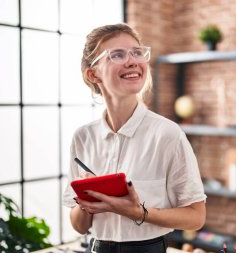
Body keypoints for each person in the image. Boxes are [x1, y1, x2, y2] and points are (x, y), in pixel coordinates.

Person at [62, 23, 207, 253]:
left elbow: (196, 217)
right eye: (117, 55)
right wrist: (87, 203)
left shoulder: (168, 135)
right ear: (93, 73)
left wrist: (138, 212)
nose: (132, 61)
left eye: (137, 52)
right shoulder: (83, 137)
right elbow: (79, 226)